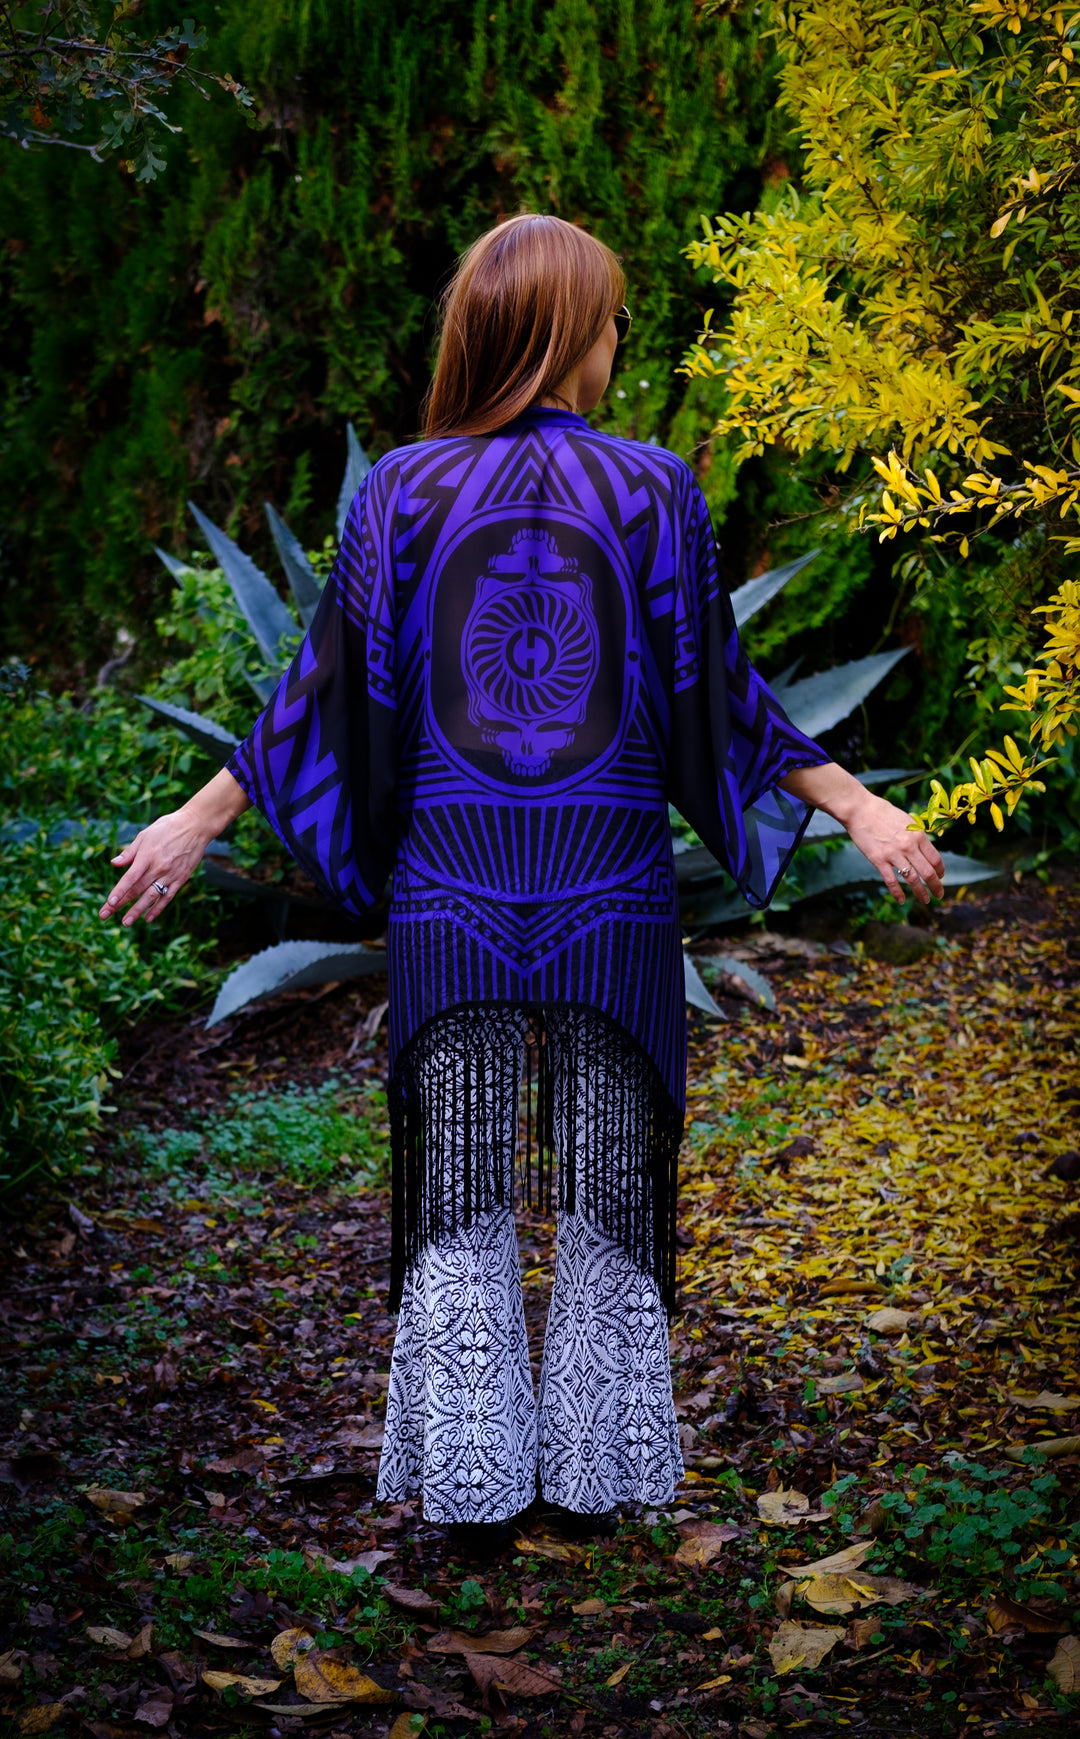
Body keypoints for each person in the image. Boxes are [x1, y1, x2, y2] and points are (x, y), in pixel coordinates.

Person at [100, 213, 945, 1555]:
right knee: (612, 1177)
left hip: (455, 889)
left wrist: (200, 818)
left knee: (462, 1180)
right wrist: (860, 805)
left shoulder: (404, 493)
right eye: (610, 322)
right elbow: (720, 698)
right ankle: (597, 1485)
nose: (618, 346)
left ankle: (478, 1498)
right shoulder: (653, 489)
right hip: (609, 888)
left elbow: (318, 693)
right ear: (564, 332)